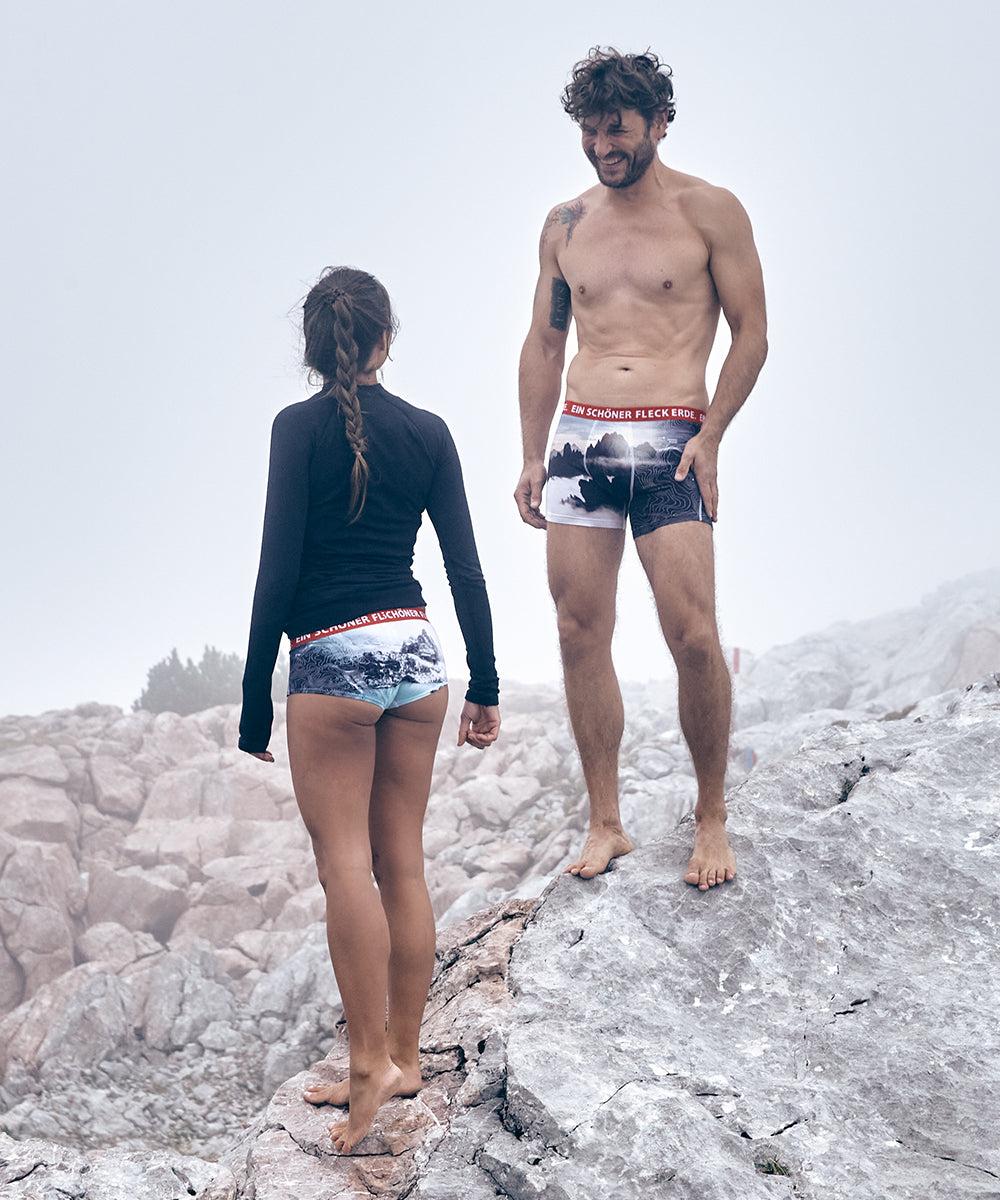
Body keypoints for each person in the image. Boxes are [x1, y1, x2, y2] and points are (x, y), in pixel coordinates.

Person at [239, 267, 500, 1153]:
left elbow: (278, 570)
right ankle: (406, 1057)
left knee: (347, 867)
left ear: (314, 350)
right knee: (404, 864)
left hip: (332, 660)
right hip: (419, 659)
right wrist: (486, 683)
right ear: (386, 339)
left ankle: (365, 1071)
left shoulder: (296, 429)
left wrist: (254, 700)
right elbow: (464, 568)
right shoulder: (429, 432)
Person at [514, 48, 767, 891]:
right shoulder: (565, 224)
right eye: (589, 131)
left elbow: (753, 332)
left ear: (659, 121)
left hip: (671, 439)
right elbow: (545, 341)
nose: (601, 146)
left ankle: (711, 816)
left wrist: (714, 435)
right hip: (582, 440)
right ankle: (606, 822)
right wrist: (531, 453)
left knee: (693, 634)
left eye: (616, 129)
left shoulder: (710, 212)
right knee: (577, 632)